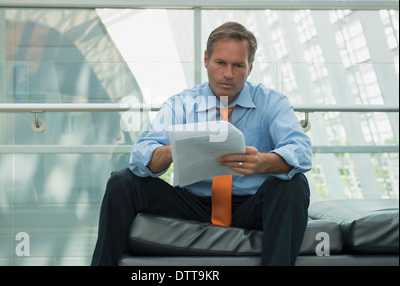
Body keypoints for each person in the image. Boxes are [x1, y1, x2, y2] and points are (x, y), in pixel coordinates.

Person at [91, 21, 312, 266]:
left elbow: (301, 151)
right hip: (192, 203)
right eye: (220, 63)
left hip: (251, 206)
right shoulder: (181, 104)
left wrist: (262, 162)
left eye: (238, 65)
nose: (228, 73)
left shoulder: (271, 102)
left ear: (250, 68)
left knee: (294, 184)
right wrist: (174, 148)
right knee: (122, 182)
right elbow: (140, 158)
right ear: (206, 59)